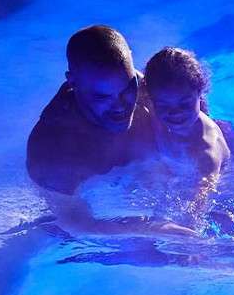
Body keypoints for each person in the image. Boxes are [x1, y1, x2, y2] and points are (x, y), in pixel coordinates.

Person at [26, 26, 189, 236]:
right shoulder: (52, 148)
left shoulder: (148, 90)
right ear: (72, 82)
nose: (120, 106)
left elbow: (202, 126)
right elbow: (76, 225)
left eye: (128, 88)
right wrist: (150, 228)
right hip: (97, 205)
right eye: (102, 97)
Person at [142, 47, 232, 210]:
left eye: (184, 104)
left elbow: (202, 200)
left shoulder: (206, 150)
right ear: (151, 98)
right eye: (163, 105)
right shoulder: (152, 95)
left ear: (199, 93)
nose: (175, 112)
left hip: (226, 185)